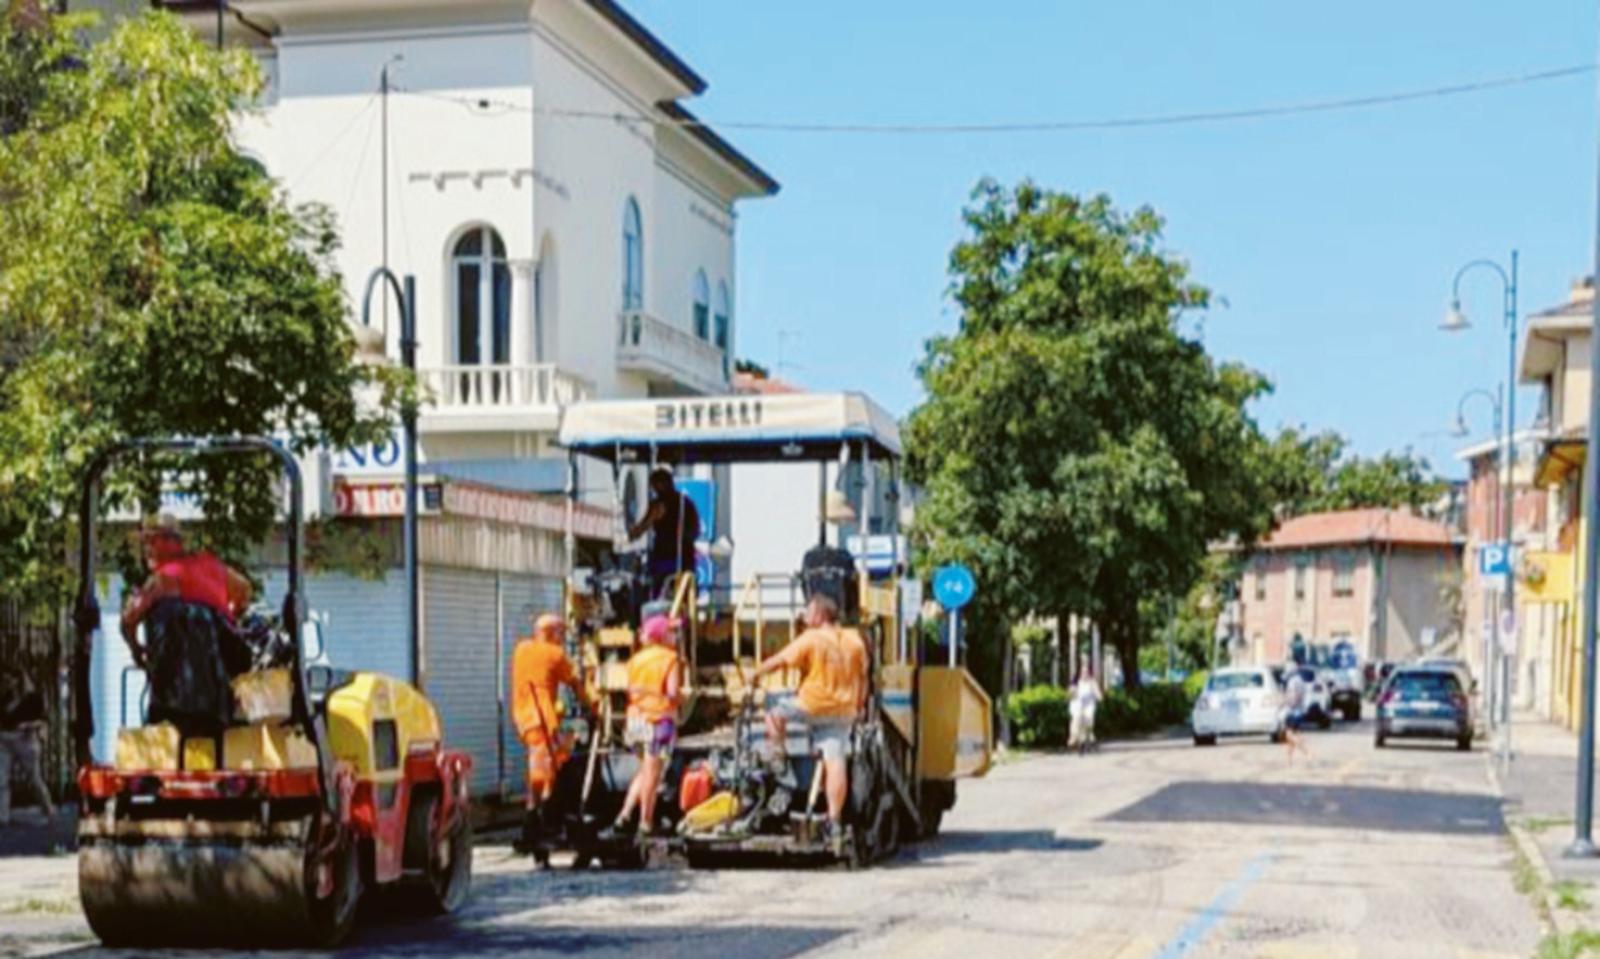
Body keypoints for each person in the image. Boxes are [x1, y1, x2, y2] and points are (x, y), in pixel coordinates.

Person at [750, 594, 868, 846]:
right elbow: (864, 679)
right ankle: (834, 822)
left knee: (773, 707)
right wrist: (858, 708)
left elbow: (781, 660)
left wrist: (755, 673)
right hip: (843, 710)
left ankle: (778, 755)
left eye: (808, 612)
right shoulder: (854, 640)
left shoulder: (812, 638)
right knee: (835, 762)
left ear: (820, 615)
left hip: (811, 706)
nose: (804, 616)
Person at [120, 514, 253, 667]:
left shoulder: (163, 579)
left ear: (170, 541)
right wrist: (229, 619)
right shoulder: (212, 565)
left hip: (183, 675)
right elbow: (244, 591)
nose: (146, 549)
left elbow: (129, 619)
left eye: (151, 541)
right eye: (145, 543)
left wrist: (136, 650)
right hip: (223, 664)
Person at [510, 613, 586, 864]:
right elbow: (576, 683)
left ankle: (533, 826)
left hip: (524, 719)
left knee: (536, 773)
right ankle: (542, 830)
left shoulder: (521, 650)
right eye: (561, 634)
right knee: (547, 776)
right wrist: (594, 705)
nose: (563, 639)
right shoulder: (555, 655)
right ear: (553, 634)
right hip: (543, 720)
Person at [601, 614, 681, 840]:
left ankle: (624, 815)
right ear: (662, 635)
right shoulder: (670, 658)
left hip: (635, 721)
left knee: (644, 771)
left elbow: (632, 689)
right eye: (671, 632)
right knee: (653, 776)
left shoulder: (636, 659)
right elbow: (673, 693)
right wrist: (678, 702)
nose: (675, 636)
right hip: (658, 721)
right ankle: (646, 823)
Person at [627, 469, 700, 598]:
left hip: (668, 555)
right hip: (681, 555)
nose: (653, 489)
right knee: (681, 591)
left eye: (655, 485)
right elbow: (695, 530)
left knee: (661, 589)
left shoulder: (665, 504)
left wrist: (636, 531)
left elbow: (643, 527)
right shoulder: (686, 502)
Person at [0, 673, 56, 828]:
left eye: (12, 680)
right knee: (2, 779)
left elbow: (43, 720)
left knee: (34, 778)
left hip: (25, 739)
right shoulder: (5, 697)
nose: (9, 682)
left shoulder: (33, 698)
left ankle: (49, 810)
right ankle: (2, 816)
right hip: (5, 739)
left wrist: (29, 725)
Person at [1068, 663, 1102, 754]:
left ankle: (1088, 738)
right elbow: (1070, 694)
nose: (1084, 674)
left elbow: (1098, 694)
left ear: (1089, 673)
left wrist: (1099, 697)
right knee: (1076, 718)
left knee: (1088, 721)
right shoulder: (1075, 682)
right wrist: (1072, 692)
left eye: (1086, 672)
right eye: (1083, 672)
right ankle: (1073, 737)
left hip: (1089, 706)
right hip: (1077, 705)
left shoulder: (1092, 682)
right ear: (1079, 673)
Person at [1281, 666, 1310, 762]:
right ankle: (1289, 760)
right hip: (1300, 710)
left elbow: (1293, 696)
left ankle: (1306, 751)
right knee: (1292, 736)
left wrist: (1286, 702)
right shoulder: (1301, 681)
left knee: (1289, 735)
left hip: (1293, 711)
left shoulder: (1292, 682)